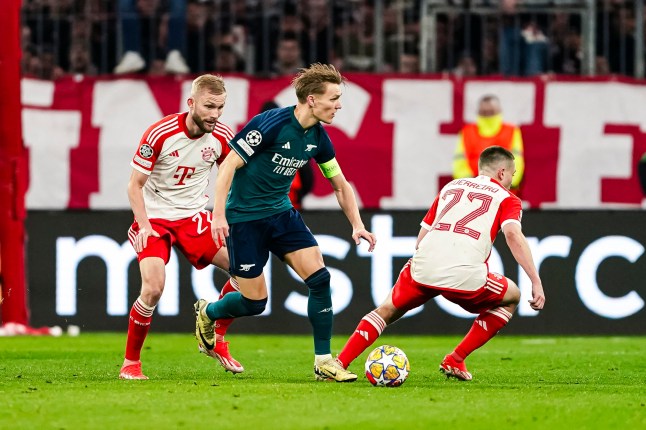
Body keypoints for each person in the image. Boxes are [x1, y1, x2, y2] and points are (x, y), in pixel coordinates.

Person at [194, 63, 377, 383]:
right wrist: (219, 214)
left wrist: (357, 224)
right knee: (254, 302)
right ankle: (208, 312)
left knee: (320, 279)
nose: (339, 105)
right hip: (246, 218)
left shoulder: (318, 137)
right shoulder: (270, 124)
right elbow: (227, 168)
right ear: (311, 99)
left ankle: (324, 360)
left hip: (282, 214)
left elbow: (340, 184)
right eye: (333, 98)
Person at [336, 146, 545, 381]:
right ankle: (455, 359)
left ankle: (339, 363)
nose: (511, 181)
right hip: (464, 277)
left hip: (423, 267)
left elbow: (421, 239)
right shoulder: (508, 199)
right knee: (512, 296)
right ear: (502, 172)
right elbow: (513, 235)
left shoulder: (451, 187)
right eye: (512, 175)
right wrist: (535, 281)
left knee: (386, 310)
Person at [120, 74, 242, 380]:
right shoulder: (160, 133)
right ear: (191, 103)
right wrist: (144, 224)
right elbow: (134, 186)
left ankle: (214, 336)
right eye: (209, 106)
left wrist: (220, 214)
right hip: (155, 219)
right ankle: (130, 363)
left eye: (220, 107)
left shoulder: (222, 136)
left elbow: (233, 177)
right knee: (153, 288)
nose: (215, 114)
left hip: (193, 217)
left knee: (245, 273)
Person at [453, 95, 525, 195]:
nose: (487, 116)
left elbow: (517, 162)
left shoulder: (512, 131)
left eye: (491, 112)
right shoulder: (466, 132)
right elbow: (459, 164)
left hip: (505, 193)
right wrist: (475, 185)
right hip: (472, 194)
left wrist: (504, 183)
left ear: (499, 111)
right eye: (484, 113)